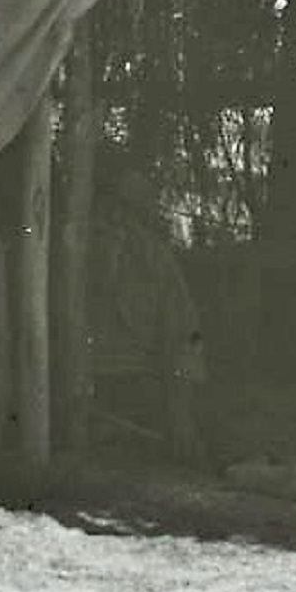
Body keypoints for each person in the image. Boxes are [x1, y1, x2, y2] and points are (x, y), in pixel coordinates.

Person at [87, 168, 209, 464]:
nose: (116, 222)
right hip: (80, 389)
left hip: (138, 388)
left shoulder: (155, 261)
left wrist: (180, 414)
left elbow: (185, 337)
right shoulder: (63, 256)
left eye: (130, 212)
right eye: (109, 210)